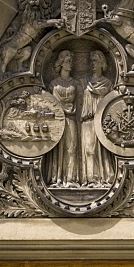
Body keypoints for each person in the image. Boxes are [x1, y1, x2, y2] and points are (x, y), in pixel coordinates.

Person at [81, 50, 115, 186]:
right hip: (87, 121)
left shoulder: (107, 84)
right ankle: (91, 179)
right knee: (89, 150)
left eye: (95, 61)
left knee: (104, 151)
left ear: (102, 63)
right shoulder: (85, 83)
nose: (92, 64)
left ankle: (107, 178)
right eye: (91, 61)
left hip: (102, 122)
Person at [47, 50, 79, 186]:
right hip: (57, 120)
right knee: (56, 150)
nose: (70, 64)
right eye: (67, 61)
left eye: (71, 61)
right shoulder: (53, 84)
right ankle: (56, 178)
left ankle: (71, 179)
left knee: (71, 148)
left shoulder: (76, 83)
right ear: (61, 63)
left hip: (71, 118)